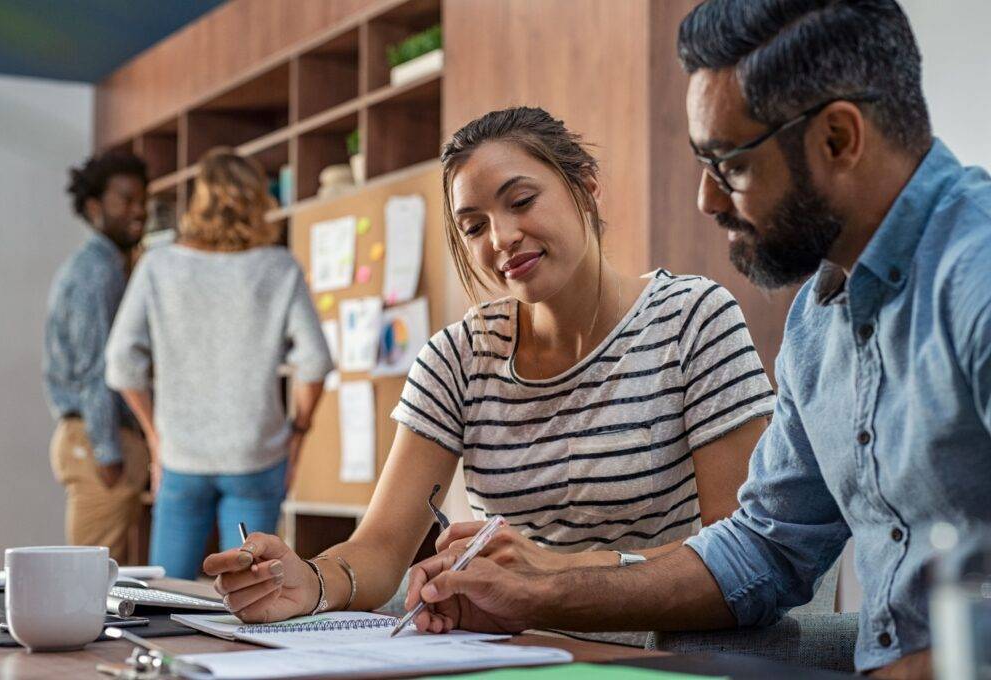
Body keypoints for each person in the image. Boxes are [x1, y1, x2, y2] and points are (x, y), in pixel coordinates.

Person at [396, 1, 991, 678]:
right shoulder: (818, 320)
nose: (708, 200)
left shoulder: (977, 279)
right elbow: (765, 550)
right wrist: (540, 589)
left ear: (837, 139)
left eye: (729, 164)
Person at [201, 107, 776, 634]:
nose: (501, 238)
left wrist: (551, 576)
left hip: (660, 650)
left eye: (521, 201)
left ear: (587, 190)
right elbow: (378, 548)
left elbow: (739, 553)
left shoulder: (694, 319)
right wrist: (312, 581)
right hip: (512, 653)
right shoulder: (457, 358)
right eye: (474, 226)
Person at [105, 149, 332, 579]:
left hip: (181, 455)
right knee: (254, 595)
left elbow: (120, 362)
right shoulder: (278, 267)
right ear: (258, 200)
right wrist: (298, 434)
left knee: (164, 591)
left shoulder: (159, 265)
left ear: (197, 202)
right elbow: (316, 361)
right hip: (256, 453)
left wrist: (156, 436)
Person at [44, 152, 150, 562]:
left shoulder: (108, 267)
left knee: (103, 577)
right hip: (97, 441)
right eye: (126, 199)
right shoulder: (97, 273)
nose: (138, 210)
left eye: (142, 199)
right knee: (88, 580)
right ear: (94, 206)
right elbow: (96, 369)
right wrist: (107, 451)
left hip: (97, 438)